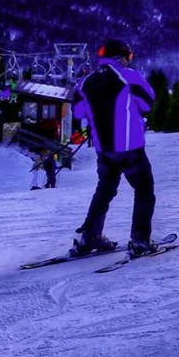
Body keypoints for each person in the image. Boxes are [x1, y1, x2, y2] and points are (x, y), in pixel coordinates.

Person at [69, 38, 159, 259]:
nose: (130, 61)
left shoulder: (84, 83)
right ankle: (139, 239)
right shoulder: (129, 77)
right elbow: (148, 102)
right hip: (130, 147)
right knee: (144, 189)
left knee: (105, 190)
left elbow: (78, 112)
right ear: (121, 56)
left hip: (104, 148)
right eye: (129, 56)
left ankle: (90, 236)